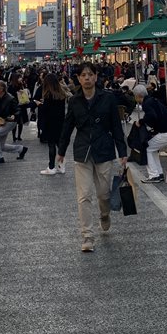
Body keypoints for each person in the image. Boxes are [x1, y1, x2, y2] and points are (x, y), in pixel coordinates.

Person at [57, 63, 127, 253]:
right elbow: (67, 127)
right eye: (83, 75)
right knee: (84, 196)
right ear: (78, 79)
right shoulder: (74, 101)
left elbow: (116, 126)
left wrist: (122, 152)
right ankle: (87, 235)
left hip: (103, 149)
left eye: (90, 74)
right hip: (82, 151)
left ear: (96, 77)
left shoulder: (108, 98)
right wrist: (61, 151)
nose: (87, 78)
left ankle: (104, 215)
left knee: (103, 193)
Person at [132, 84, 167, 183]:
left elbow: (151, 116)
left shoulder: (146, 104)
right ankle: (159, 173)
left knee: (147, 148)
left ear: (138, 96)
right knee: (153, 149)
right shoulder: (152, 100)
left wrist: (141, 121)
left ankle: (154, 175)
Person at [0, 80, 27, 164]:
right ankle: (21, 149)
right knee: (0, 146)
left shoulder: (10, 98)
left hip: (10, 122)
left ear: (1, 89)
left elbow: (18, 110)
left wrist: (14, 116)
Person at [37, 73, 68, 175]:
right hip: (60, 122)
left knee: (51, 145)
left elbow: (46, 110)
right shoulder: (61, 94)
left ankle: (51, 167)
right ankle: (61, 166)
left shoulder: (48, 94)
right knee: (60, 145)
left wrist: (40, 105)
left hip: (50, 123)